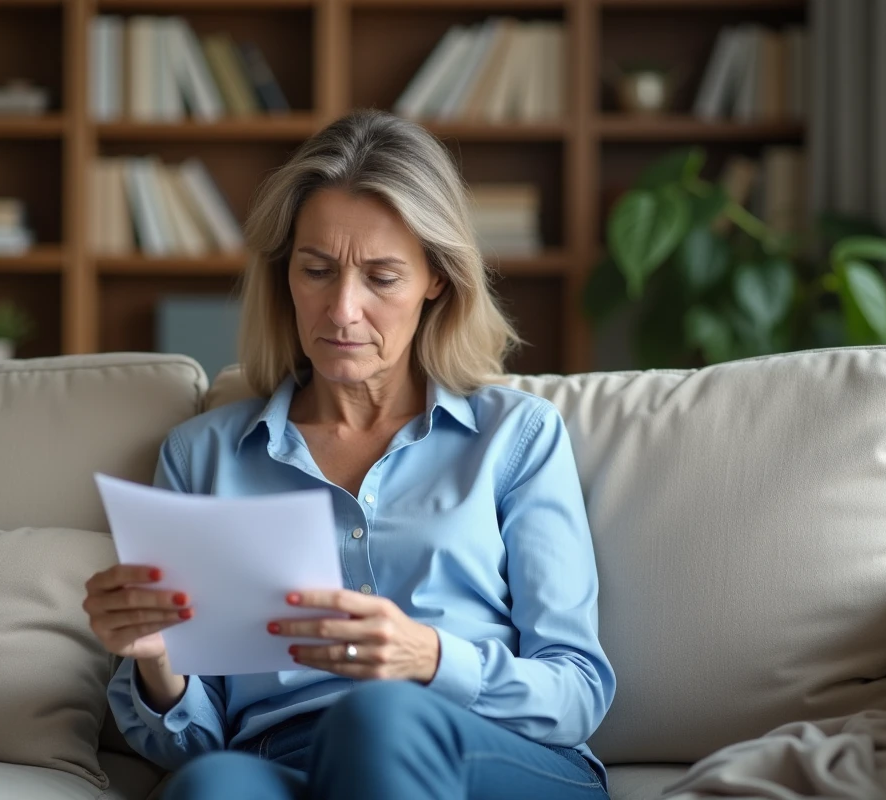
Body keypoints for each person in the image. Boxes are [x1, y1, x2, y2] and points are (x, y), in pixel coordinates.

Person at [83, 109, 615, 800]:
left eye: (381, 277)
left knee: (378, 721)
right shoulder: (203, 455)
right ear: (285, 276)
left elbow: (578, 689)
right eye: (317, 271)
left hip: (479, 750)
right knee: (210, 786)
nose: (341, 310)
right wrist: (159, 661)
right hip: (285, 756)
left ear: (436, 279)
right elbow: (191, 743)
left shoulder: (516, 437)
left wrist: (430, 657)